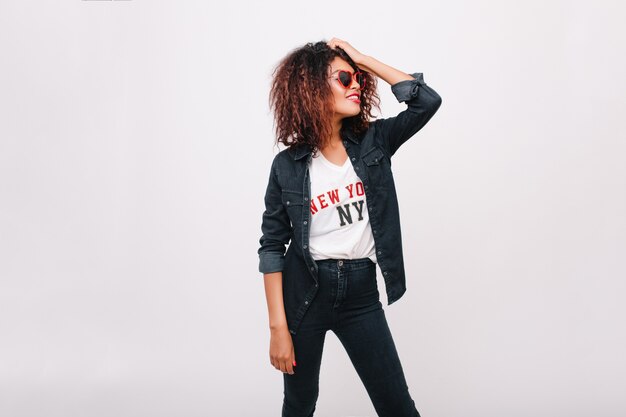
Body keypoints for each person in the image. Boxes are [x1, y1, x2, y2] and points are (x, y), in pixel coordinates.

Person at [257, 38, 442, 417]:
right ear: (310, 88)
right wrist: (278, 328)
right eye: (344, 78)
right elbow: (272, 246)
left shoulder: (374, 141)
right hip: (304, 295)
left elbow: (426, 102)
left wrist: (362, 60)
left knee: (397, 405)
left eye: (358, 78)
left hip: (360, 294)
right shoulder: (287, 166)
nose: (356, 83)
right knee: (300, 404)